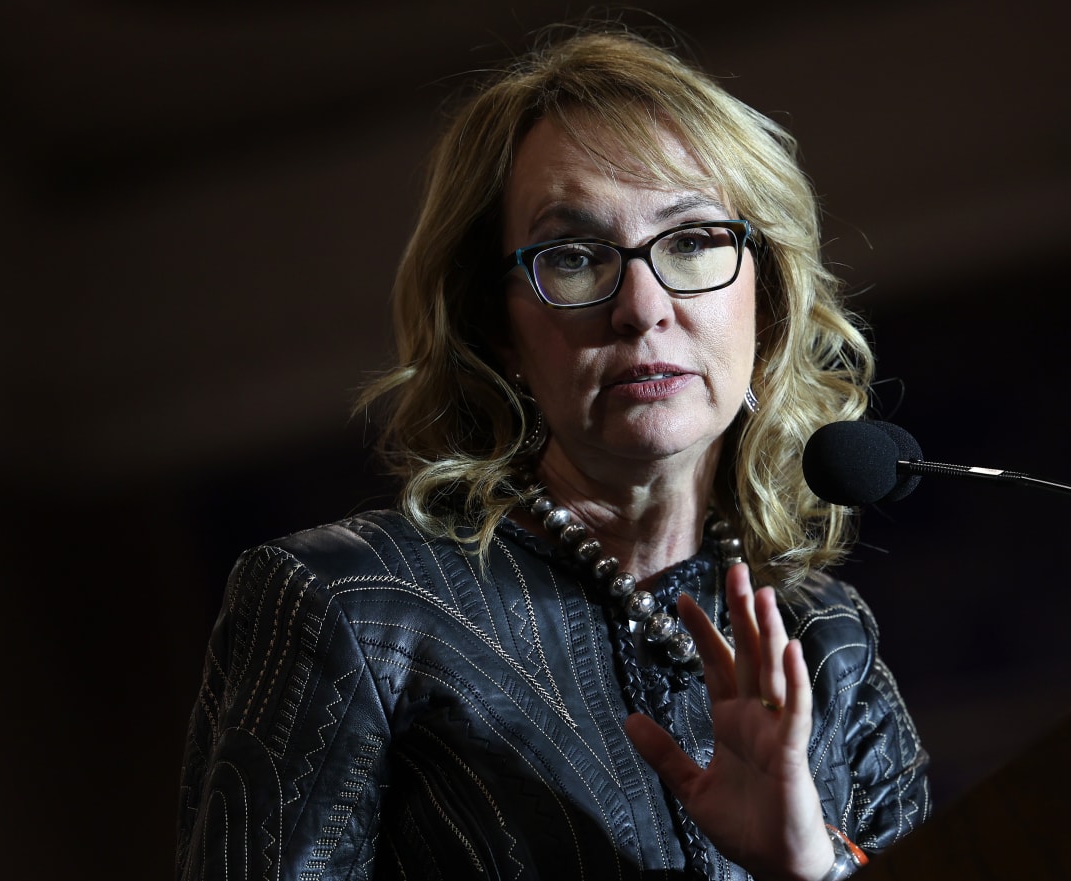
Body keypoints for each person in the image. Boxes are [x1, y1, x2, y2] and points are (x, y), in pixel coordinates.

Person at [177, 25, 929, 881]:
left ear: (767, 295)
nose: (643, 308)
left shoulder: (827, 640)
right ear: (497, 327)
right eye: (573, 257)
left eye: (689, 242)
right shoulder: (352, 608)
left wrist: (811, 868)